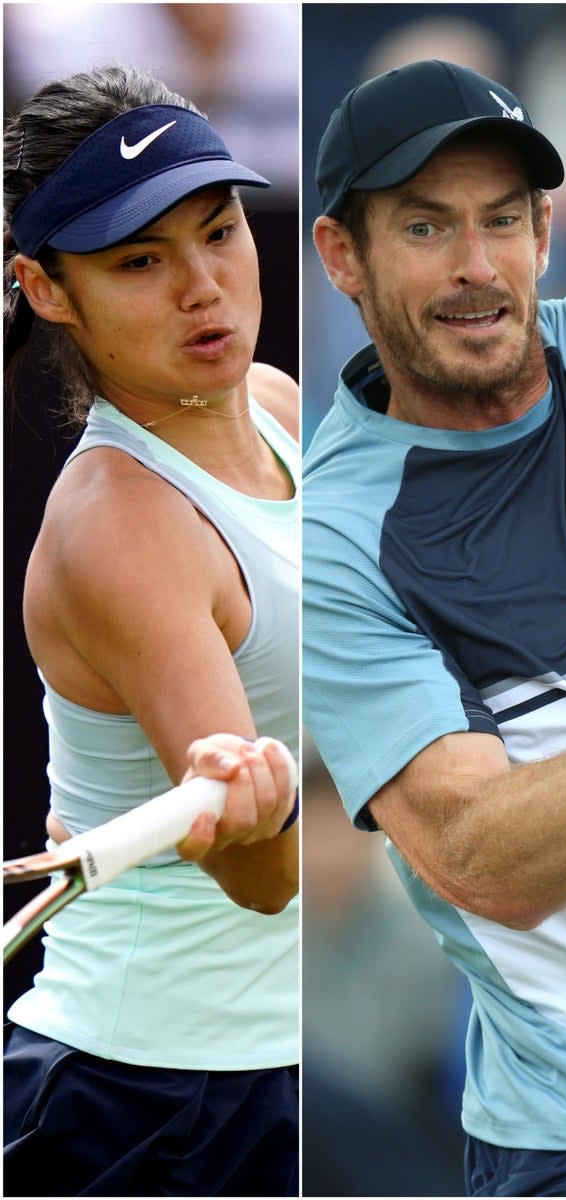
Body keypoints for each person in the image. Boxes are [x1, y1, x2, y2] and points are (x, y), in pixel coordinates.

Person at [2, 67, 300, 1195]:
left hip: (274, 1066)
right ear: (47, 288)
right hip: (149, 1105)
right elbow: (266, 878)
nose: (203, 288)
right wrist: (276, 801)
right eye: (141, 261)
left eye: (218, 233)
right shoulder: (119, 529)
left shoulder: (270, 405)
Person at [303, 59, 566, 1198]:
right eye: (427, 227)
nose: (478, 268)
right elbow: (484, 857)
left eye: (504, 222)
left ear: (543, 231)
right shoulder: (333, 537)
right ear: (342, 257)